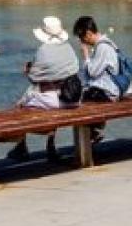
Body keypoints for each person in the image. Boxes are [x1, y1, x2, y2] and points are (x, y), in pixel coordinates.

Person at [9, 15, 81, 162]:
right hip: (71, 97)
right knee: (44, 102)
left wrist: (28, 70)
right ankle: (50, 145)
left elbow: (34, 78)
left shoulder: (43, 50)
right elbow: (73, 69)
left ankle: (21, 147)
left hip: (53, 99)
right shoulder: (68, 47)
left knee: (19, 107)